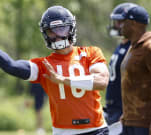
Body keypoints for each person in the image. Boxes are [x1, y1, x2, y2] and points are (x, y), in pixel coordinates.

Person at [0, 5, 109, 135]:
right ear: (45, 34)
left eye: (61, 29)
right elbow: (11, 66)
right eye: (51, 31)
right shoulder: (44, 65)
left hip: (96, 130)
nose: (57, 36)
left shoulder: (91, 53)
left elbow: (101, 81)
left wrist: (63, 79)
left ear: (71, 29)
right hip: (63, 132)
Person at [111, 2, 151, 135]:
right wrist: (126, 115)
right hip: (131, 121)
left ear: (133, 23)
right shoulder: (134, 47)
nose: (119, 26)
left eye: (122, 22)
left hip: (147, 123)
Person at [103, 3, 136, 135]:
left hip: (123, 109)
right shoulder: (122, 45)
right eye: (115, 21)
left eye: (119, 21)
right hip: (113, 107)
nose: (116, 25)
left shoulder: (133, 47)